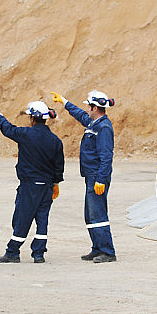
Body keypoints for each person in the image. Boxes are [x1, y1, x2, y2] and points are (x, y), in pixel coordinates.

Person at [0, 101, 64, 264]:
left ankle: (12, 252)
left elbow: (8, 129)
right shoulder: (55, 141)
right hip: (47, 187)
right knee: (42, 219)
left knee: (22, 218)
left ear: (32, 118)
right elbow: (59, 166)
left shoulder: (26, 135)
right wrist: (56, 183)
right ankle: (38, 254)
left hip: (29, 186)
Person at [50, 90, 117, 263]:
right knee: (90, 214)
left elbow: (106, 156)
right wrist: (65, 102)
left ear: (95, 107)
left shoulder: (103, 127)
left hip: (97, 177)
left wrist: (101, 179)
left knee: (98, 214)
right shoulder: (95, 122)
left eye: (89, 106)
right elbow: (80, 115)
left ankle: (107, 251)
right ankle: (97, 248)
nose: (87, 108)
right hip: (91, 176)